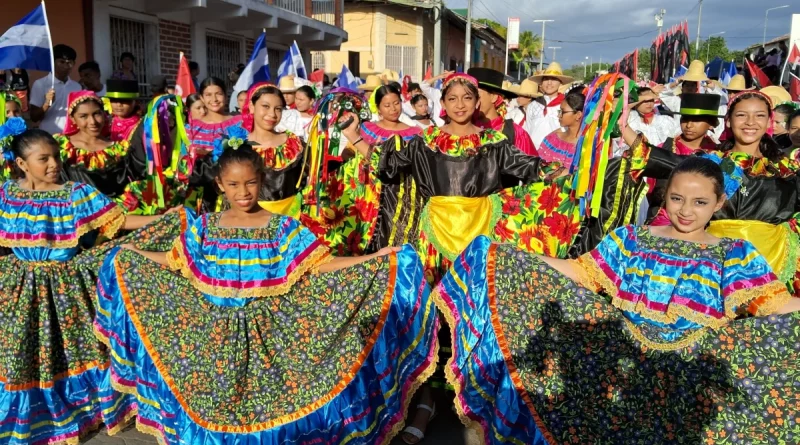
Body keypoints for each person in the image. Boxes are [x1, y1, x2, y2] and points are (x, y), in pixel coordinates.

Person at [436, 156, 800, 445]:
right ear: (664, 195)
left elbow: (776, 306)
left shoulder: (734, 253)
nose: (686, 210)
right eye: (676, 198)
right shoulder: (630, 239)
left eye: (700, 202)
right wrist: (505, 254)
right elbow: (582, 272)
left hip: (690, 378)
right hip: (624, 367)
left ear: (719, 202)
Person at [94, 142, 438, 445]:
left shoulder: (281, 226)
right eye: (233, 184)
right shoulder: (205, 226)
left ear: (262, 180)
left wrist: (372, 259)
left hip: (270, 336)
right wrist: (131, 256)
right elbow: (174, 262)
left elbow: (319, 264)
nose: (243, 191)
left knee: (269, 407)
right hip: (213, 335)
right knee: (217, 404)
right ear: (220, 185)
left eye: (251, 182)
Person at [0, 125, 175, 445]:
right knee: (23, 353)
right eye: (44, 159)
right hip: (19, 288)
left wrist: (166, 219)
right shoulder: (6, 194)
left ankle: (83, 408)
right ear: (22, 164)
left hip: (67, 287)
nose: (54, 164)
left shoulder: (75, 193)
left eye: (56, 157)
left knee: (75, 348)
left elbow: (118, 221)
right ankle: (32, 411)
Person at [625, 90, 800, 295]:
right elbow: (655, 157)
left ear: (769, 121)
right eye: (742, 115)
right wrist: (623, 125)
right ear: (728, 121)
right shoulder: (711, 163)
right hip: (712, 269)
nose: (750, 122)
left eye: (759, 115)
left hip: (773, 271)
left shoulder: (788, 170)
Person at [54, 91, 136, 201]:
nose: (92, 122)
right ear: (72, 119)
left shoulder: (118, 149)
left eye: (97, 114)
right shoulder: (61, 146)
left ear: (104, 114)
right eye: (83, 116)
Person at [468, 67, 537, 156]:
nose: (471, 102)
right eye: (467, 97)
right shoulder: (459, 128)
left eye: (477, 96)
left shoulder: (516, 134)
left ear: (494, 97)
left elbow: (530, 167)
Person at [29, 44, 82, 134]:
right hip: (49, 135)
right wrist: (46, 104)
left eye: (69, 63)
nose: (66, 66)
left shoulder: (76, 87)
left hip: (72, 136)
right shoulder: (40, 84)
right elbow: (34, 117)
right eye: (61, 62)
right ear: (52, 62)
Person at [185, 77, 243, 158]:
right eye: (208, 95)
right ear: (202, 98)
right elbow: (183, 161)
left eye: (219, 94)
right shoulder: (191, 129)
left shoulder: (241, 123)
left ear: (225, 96)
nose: (214, 99)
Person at [525, 62, 575, 147]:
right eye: (546, 79)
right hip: (533, 153)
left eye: (554, 79)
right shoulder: (533, 105)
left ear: (560, 83)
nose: (549, 83)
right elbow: (528, 129)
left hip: (556, 152)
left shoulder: (567, 106)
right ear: (541, 83)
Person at [537, 92, 585, 164]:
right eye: (559, 111)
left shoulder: (588, 145)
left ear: (578, 115)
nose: (558, 115)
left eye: (563, 111)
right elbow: (537, 166)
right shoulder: (551, 140)